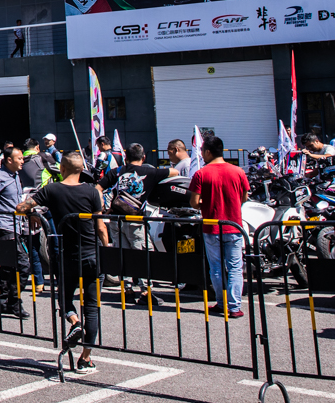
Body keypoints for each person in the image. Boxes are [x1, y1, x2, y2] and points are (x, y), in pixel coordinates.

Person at [18, 151, 106, 374]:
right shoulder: (92, 191)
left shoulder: (52, 189)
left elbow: (21, 207)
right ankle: (85, 358)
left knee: (65, 298)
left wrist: (33, 212)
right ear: (81, 170)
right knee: (92, 307)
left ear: (62, 169)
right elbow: (101, 226)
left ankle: (75, 322)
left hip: (68, 254)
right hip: (92, 253)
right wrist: (107, 248)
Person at [99, 142, 176, 301]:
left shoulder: (117, 171)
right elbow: (174, 172)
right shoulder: (151, 172)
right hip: (135, 220)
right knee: (142, 254)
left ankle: (127, 290)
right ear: (144, 157)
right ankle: (145, 291)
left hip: (115, 219)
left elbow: (98, 187)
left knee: (123, 255)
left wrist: (100, 206)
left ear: (126, 157)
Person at [188, 135, 249, 318]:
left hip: (212, 226)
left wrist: (205, 204)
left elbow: (194, 202)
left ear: (207, 152)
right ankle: (235, 306)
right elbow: (244, 197)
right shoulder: (238, 171)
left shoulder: (201, 173)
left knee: (216, 267)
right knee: (235, 267)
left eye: (202, 151)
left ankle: (222, 303)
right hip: (234, 225)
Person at [0, 144, 30, 318]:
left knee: (8, 267)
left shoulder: (16, 175)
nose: (22, 161)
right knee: (22, 265)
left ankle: (1, 302)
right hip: (5, 227)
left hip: (16, 225)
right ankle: (14, 301)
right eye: (19, 158)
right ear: (9, 160)